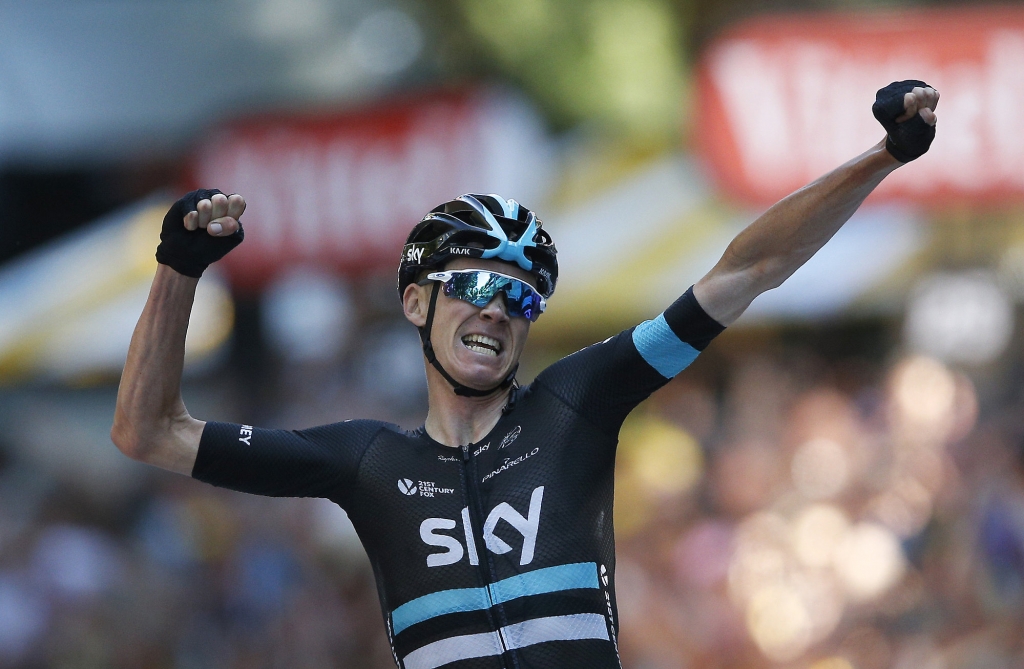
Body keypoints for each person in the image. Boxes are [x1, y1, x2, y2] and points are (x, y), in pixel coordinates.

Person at [112, 81, 938, 668]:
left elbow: (745, 271)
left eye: (520, 296)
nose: (498, 309)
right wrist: (179, 271)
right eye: (473, 285)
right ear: (413, 304)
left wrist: (881, 156)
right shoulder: (365, 460)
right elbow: (146, 431)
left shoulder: (576, 403)